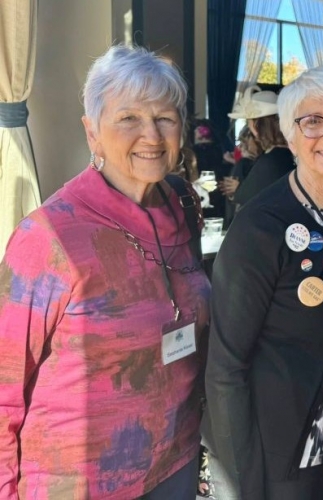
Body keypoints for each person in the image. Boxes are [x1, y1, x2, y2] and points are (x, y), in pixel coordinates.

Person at [0, 45, 209, 498]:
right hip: (77, 483)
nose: (151, 135)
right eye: (128, 118)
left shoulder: (183, 204)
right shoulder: (49, 237)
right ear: (92, 132)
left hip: (176, 461)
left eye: (165, 117)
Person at [203, 65, 323, 500]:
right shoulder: (260, 228)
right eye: (313, 121)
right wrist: (245, 482)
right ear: (290, 135)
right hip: (283, 460)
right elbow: (225, 369)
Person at [227, 85, 295, 207]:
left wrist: (238, 190)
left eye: (248, 122)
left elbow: (251, 202)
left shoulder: (270, 161)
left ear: (255, 124)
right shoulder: (291, 153)